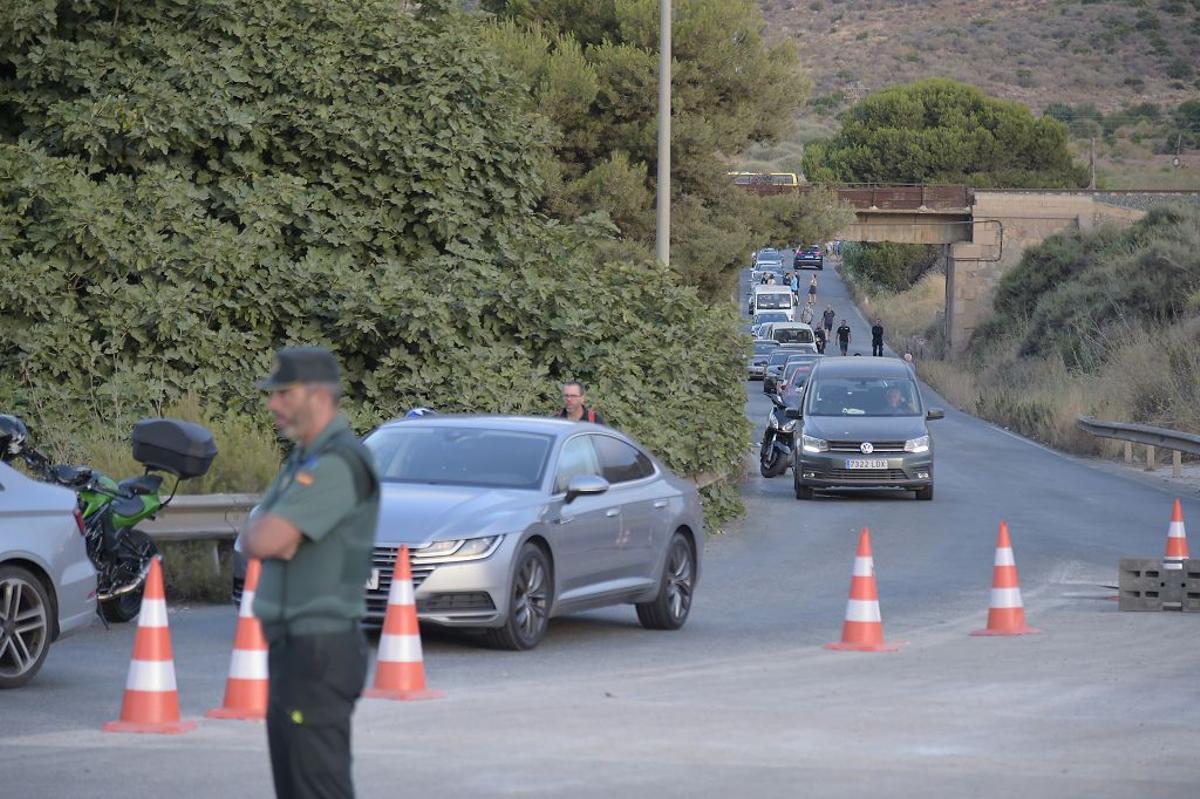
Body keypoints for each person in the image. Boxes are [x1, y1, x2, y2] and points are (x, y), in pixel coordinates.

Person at [240, 346, 380, 799]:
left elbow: (264, 538)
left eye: (283, 393)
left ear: (318, 396)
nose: (273, 404)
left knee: (318, 787)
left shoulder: (339, 463)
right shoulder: (304, 460)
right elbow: (258, 534)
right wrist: (272, 529)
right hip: (295, 649)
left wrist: (273, 530)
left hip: (319, 651)